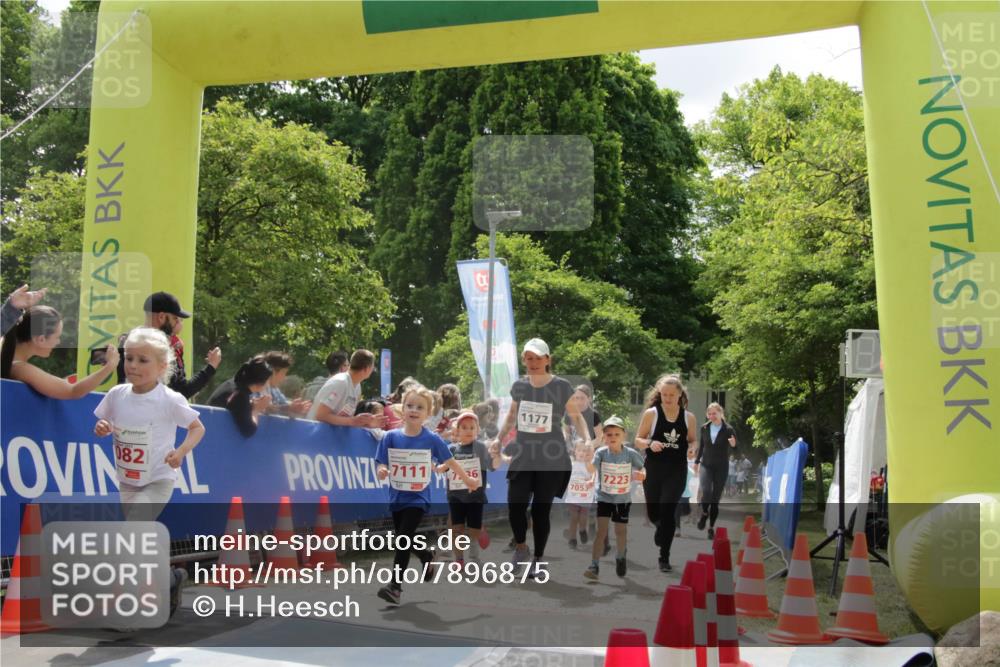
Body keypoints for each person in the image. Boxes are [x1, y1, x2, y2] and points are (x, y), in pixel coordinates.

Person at [92, 327, 205, 617]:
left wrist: (180, 452)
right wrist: (103, 428)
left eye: (143, 360)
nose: (133, 366)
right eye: (129, 358)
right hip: (127, 481)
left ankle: (127, 611)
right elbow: (102, 424)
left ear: (162, 366)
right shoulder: (117, 395)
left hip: (158, 479)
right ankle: (171, 580)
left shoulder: (169, 399)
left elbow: (197, 428)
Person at [488, 338, 593, 580]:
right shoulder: (520, 386)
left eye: (538, 358)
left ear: (548, 359)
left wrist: (587, 439)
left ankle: (538, 558)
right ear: (524, 360)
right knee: (515, 504)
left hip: (551, 456)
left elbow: (576, 417)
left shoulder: (561, 386)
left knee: (540, 511)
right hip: (524, 453)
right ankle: (522, 548)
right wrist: (499, 438)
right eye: (529, 358)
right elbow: (512, 415)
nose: (533, 362)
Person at [374, 387, 480, 605]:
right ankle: (425, 556)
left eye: (420, 407)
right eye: (410, 406)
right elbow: (380, 462)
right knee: (404, 538)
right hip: (397, 496)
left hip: (418, 497)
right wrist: (382, 470)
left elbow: (450, 462)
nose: (414, 410)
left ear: (428, 414)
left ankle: (395, 587)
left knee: (402, 541)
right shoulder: (390, 436)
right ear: (402, 409)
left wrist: (467, 480)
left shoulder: (431, 439)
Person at [634, 374, 697, 572]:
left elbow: (693, 440)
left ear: (680, 395)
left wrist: (692, 448)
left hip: (676, 470)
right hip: (653, 468)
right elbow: (638, 440)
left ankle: (664, 557)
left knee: (668, 510)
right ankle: (659, 527)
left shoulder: (689, 417)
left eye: (671, 395)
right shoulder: (652, 414)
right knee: (654, 513)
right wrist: (650, 443)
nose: (667, 398)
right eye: (664, 394)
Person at [117, 292, 221, 399]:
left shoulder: (128, 341)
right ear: (161, 317)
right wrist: (211, 367)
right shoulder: (164, 348)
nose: (178, 324)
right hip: (155, 411)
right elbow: (182, 392)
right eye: (175, 318)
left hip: (127, 405)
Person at [1, 305, 119, 398]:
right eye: (57, 337)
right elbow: (72, 391)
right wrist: (109, 366)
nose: (58, 342)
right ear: (40, 339)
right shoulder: (19, 368)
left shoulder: (12, 362)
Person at [583, 416, 645, 580]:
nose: (613, 438)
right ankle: (594, 565)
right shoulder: (601, 453)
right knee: (601, 531)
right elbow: (591, 469)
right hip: (604, 497)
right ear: (604, 437)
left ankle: (620, 556)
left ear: (623, 435)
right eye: (609, 435)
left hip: (622, 499)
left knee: (620, 531)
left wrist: (641, 475)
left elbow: (643, 468)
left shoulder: (630, 454)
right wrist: (587, 460)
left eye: (616, 434)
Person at [438, 411, 499, 568]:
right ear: (456, 430)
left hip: (475, 496)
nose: (468, 430)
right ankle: (459, 559)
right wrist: (438, 467)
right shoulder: (451, 449)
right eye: (464, 427)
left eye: (472, 427)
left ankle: (474, 552)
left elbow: (492, 467)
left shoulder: (480, 447)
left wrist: (497, 457)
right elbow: (442, 468)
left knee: (473, 529)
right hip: (455, 496)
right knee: (457, 528)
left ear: (477, 430)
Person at [306, 349, 384, 428]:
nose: (373, 370)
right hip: (314, 433)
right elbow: (321, 415)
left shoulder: (357, 386)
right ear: (367, 368)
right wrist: (352, 421)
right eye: (372, 366)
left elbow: (346, 419)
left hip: (331, 435)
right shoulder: (340, 382)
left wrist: (367, 422)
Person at [694, 402, 738, 539]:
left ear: (720, 413)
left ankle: (711, 527)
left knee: (715, 499)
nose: (712, 416)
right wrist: (696, 461)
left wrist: (734, 445)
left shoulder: (728, 429)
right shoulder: (705, 428)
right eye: (710, 413)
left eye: (715, 413)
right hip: (706, 465)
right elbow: (702, 446)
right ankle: (704, 513)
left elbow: (736, 449)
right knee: (706, 491)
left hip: (721, 467)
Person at [208, 357, 272, 437]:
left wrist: (251, 404)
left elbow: (236, 407)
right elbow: (248, 431)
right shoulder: (241, 395)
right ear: (260, 383)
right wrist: (256, 410)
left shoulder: (234, 384)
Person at [256, 351, 311, 416]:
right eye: (284, 373)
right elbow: (256, 408)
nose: (284, 377)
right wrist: (288, 408)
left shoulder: (275, 390)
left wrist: (295, 407)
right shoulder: (252, 388)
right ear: (272, 371)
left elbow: (284, 405)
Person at [564, 439, 595, 549]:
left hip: (585, 497)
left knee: (582, 518)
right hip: (573, 497)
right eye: (580, 450)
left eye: (585, 451)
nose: (582, 453)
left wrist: (591, 480)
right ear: (575, 451)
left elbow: (594, 475)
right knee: (574, 517)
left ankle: (582, 530)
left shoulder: (589, 465)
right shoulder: (571, 464)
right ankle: (572, 538)